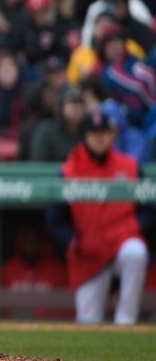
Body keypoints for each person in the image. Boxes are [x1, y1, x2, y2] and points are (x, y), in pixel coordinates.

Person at [46, 112, 151, 324]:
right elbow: (55, 218)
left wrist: (135, 226)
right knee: (88, 322)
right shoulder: (69, 170)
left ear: (112, 135)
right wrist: (72, 241)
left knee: (136, 252)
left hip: (122, 240)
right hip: (89, 250)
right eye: (94, 133)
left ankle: (126, 319)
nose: (100, 138)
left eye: (104, 132)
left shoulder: (129, 166)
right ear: (85, 136)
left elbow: (149, 208)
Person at [29, 87, 85, 162]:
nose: (76, 108)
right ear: (61, 107)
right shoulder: (47, 131)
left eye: (79, 103)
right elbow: (39, 162)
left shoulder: (89, 131)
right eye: (71, 103)